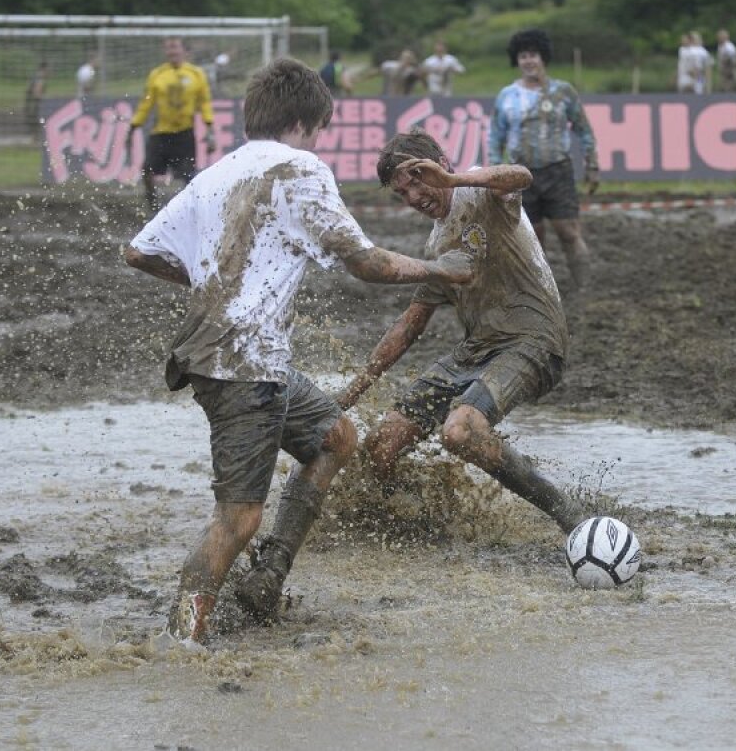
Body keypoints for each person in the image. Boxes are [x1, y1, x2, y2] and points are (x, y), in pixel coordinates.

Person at [124, 58, 475, 644]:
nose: (319, 140)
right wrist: (443, 268)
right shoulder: (301, 168)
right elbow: (366, 263)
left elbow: (139, 252)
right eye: (320, 129)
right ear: (309, 120)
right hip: (242, 366)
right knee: (237, 518)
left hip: (236, 357)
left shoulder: (217, 172)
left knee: (337, 436)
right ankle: (182, 640)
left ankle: (271, 572)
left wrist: (216, 279)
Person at [236, 129, 591, 621]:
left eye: (417, 180)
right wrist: (351, 393)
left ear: (438, 165)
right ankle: (407, 524)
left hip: (533, 340)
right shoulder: (438, 239)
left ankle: (568, 514)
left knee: (461, 431)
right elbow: (409, 327)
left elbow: (521, 175)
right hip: (476, 350)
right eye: (402, 192)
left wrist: (452, 176)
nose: (414, 196)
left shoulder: (486, 194)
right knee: (381, 445)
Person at [489, 28, 598, 295]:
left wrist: (592, 165)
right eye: (523, 56)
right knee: (533, 238)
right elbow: (495, 138)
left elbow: (584, 129)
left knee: (569, 232)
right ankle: (543, 293)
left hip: (558, 170)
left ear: (543, 58)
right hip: (521, 175)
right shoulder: (507, 96)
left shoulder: (563, 92)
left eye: (533, 55)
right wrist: (494, 175)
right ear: (517, 60)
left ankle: (585, 289)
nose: (528, 61)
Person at [125, 38, 215, 213]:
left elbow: (204, 103)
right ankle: (152, 205)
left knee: (189, 175)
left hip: (184, 133)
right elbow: (146, 103)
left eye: (175, 48)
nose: (172, 52)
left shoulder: (196, 74)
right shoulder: (157, 75)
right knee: (147, 170)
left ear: (184, 51)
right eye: (168, 49)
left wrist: (209, 129)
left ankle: (189, 209)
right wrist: (134, 126)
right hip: (161, 132)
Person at [24, 61, 49, 136]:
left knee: (33, 122)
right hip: (34, 104)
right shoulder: (40, 78)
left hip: (29, 103)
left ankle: (33, 137)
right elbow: (37, 92)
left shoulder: (35, 75)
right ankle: (34, 138)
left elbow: (28, 88)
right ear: (44, 68)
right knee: (37, 121)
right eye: (48, 68)